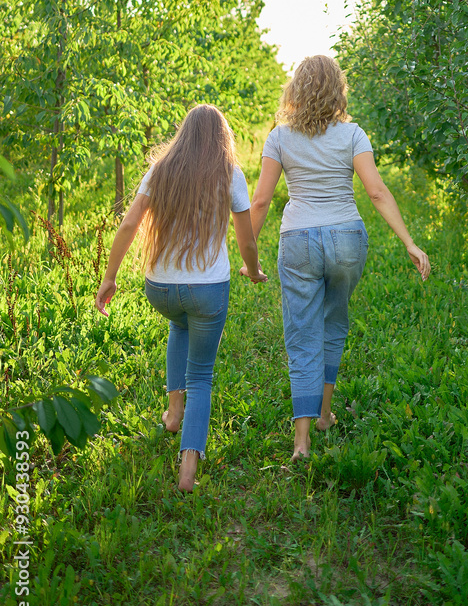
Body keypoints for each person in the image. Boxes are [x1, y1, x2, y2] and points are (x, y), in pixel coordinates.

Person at [243, 55, 430, 462]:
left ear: (295, 89)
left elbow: (260, 201)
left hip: (298, 241)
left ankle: (302, 441)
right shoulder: (353, 135)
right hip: (347, 238)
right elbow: (377, 192)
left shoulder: (279, 137)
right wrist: (409, 243)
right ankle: (325, 413)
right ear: (337, 89)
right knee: (333, 323)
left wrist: (248, 253)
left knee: (302, 337)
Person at [95, 104, 266, 491]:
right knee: (201, 374)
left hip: (161, 289)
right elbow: (246, 239)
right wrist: (253, 271)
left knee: (178, 324)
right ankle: (188, 469)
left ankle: (174, 414)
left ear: (183, 133)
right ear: (223, 138)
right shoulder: (230, 174)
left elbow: (128, 223)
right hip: (208, 291)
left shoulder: (160, 170)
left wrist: (109, 277)